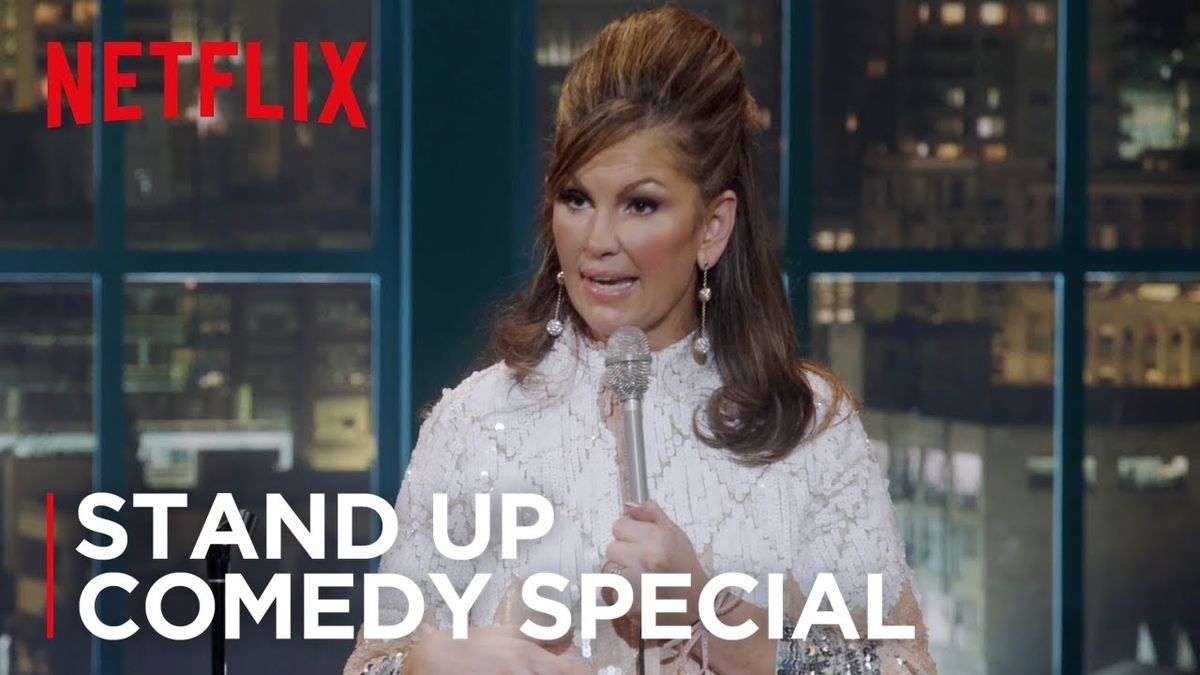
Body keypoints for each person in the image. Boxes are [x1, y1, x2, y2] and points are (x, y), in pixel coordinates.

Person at [344, 7, 934, 674]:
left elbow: (905, 666)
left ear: (713, 226)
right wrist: (435, 662)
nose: (598, 240)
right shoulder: (473, 425)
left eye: (641, 204)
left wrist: (710, 615)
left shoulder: (807, 429)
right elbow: (374, 662)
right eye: (576, 198)